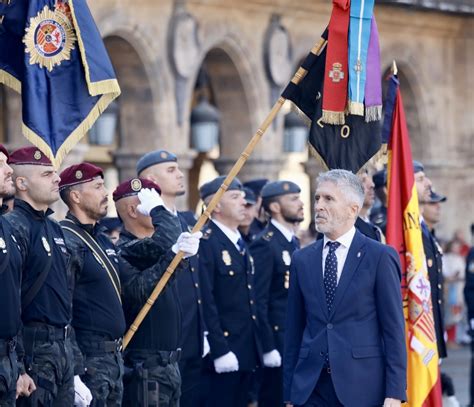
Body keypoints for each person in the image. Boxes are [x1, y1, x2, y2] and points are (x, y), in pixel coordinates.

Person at [283, 169, 406, 407]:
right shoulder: (302, 259)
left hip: (362, 387)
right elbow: (294, 330)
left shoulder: (379, 256)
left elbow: (393, 330)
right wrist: (289, 394)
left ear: (353, 209)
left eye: (329, 199)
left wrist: (395, 390)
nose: (318, 205)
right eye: (317, 198)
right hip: (310, 387)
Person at [6, 147, 91, 406]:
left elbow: (66, 299)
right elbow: (11, 298)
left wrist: (75, 367)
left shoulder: (54, 227)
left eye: (55, 173)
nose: (56, 179)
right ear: (22, 183)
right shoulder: (14, 226)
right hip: (34, 351)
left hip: (62, 349)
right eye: (46, 174)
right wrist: (19, 366)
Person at [114, 178, 201, 407]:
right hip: (144, 368)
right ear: (133, 210)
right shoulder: (123, 250)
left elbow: (167, 241)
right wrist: (159, 211)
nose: (157, 206)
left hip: (168, 365)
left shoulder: (151, 247)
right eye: (149, 202)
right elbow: (168, 239)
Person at [136, 150, 207, 407]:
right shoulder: (145, 219)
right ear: (151, 179)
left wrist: (205, 330)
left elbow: (199, 282)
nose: (180, 174)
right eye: (170, 170)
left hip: (193, 335)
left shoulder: (189, 221)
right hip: (163, 340)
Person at [58, 163, 126, 406]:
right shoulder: (68, 239)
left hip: (112, 359)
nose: (105, 192)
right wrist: (75, 370)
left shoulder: (100, 239)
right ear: (75, 196)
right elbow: (63, 310)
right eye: (97, 187)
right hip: (90, 361)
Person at [198, 176, 262, 407]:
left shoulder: (239, 242)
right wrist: (220, 348)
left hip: (245, 349)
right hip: (223, 351)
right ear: (215, 206)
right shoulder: (207, 242)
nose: (243, 203)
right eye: (235, 197)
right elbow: (206, 299)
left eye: (244, 197)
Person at [250, 180, 303, 407]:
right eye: (293, 199)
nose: (301, 203)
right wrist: (268, 346)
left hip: (295, 337)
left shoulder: (293, 241)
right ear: (275, 207)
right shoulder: (265, 244)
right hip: (277, 339)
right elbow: (258, 301)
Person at [0, 145, 36, 406]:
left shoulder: (8, 227)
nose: (9, 170)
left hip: (8, 360)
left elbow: (14, 299)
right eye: (0, 164)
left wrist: (20, 366)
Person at [416, 162, 447, 359]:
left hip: (431, 325)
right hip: (420, 332)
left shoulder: (429, 236)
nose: (437, 207)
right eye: (432, 202)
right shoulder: (413, 233)